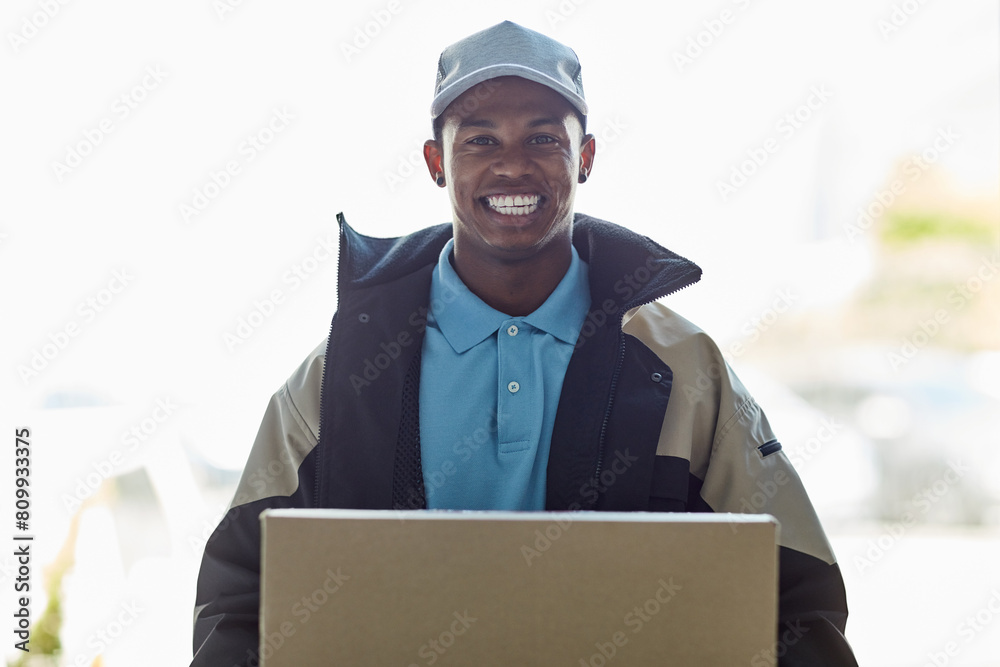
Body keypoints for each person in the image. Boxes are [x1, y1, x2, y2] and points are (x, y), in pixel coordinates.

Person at [192, 20, 858, 666]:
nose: (512, 165)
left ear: (585, 157)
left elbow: (797, 596)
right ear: (436, 163)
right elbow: (240, 595)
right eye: (480, 140)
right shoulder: (343, 373)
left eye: (543, 138)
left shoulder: (680, 367)